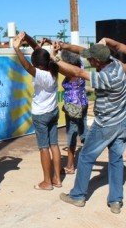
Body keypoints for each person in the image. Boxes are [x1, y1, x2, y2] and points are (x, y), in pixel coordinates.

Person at [52, 42, 126, 214]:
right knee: (115, 161)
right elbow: (82, 51)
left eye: (91, 59)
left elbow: (78, 72)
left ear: (98, 62)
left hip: (106, 125)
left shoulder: (106, 78)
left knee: (85, 156)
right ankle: (116, 201)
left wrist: (54, 58)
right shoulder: (114, 63)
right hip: (121, 122)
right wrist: (63, 45)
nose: (88, 60)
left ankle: (77, 196)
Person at [13, 32, 61, 190]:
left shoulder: (40, 75)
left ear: (38, 66)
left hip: (41, 115)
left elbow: (27, 66)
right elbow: (37, 49)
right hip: (53, 112)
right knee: (54, 144)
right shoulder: (53, 66)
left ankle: (47, 181)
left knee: (44, 147)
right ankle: (57, 179)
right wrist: (26, 36)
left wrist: (16, 48)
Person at [41, 38, 88, 174]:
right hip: (83, 102)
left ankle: (70, 165)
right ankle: (89, 155)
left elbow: (54, 63)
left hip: (72, 106)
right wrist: (54, 43)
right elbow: (73, 51)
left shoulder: (69, 72)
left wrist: (53, 54)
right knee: (84, 131)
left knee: (71, 134)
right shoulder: (80, 66)